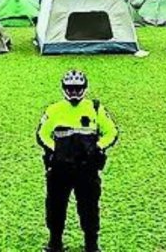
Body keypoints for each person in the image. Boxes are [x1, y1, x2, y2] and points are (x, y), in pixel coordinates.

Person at [36, 70, 119, 252]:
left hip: (87, 170)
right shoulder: (54, 110)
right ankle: (55, 244)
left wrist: (98, 147)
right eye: (70, 89)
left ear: (84, 89)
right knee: (55, 207)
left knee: (89, 209)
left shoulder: (95, 109)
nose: (74, 93)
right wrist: (55, 150)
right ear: (64, 89)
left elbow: (112, 132)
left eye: (78, 89)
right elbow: (41, 134)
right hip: (60, 170)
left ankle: (91, 246)